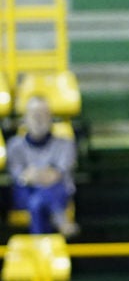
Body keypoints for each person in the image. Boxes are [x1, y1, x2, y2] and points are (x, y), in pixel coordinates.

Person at [7, 96, 77, 237]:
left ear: (51, 118)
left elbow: (55, 176)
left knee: (38, 202)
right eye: (34, 114)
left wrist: (34, 175)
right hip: (26, 193)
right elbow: (20, 177)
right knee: (35, 198)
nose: (38, 119)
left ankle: (39, 243)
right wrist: (41, 175)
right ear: (24, 119)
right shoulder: (14, 146)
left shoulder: (65, 144)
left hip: (58, 192)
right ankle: (60, 220)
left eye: (43, 114)